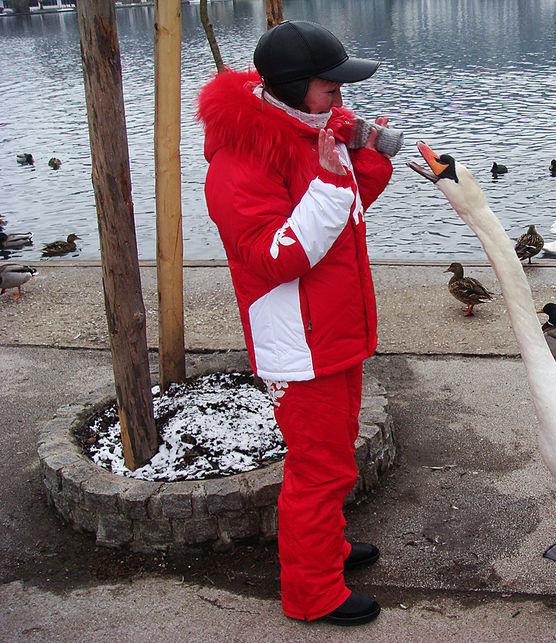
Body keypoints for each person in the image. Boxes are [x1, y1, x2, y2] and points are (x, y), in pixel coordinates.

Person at [196, 20, 401, 626]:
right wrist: (334, 179)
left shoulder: (304, 126)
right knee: (319, 469)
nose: (341, 94)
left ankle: (329, 551)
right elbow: (274, 258)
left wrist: (358, 146)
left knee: (336, 453)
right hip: (299, 343)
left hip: (335, 331)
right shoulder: (239, 160)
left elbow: (356, 201)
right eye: (329, 86)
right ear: (289, 86)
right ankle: (312, 595)